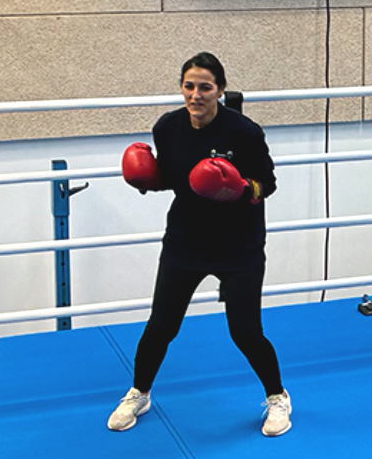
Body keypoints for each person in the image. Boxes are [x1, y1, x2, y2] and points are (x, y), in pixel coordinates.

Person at [109, 52, 290, 436]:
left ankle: (278, 398)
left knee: (245, 331)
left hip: (238, 245)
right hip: (186, 241)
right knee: (161, 325)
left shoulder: (243, 132)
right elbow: (175, 179)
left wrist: (241, 189)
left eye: (205, 87)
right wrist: (147, 179)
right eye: (189, 86)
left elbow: (267, 183)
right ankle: (139, 393)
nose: (196, 95)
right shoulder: (168, 128)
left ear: (220, 90)